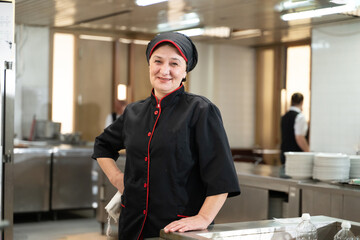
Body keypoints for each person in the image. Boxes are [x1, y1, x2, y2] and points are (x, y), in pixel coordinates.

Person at [92, 32, 240, 240]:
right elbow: (103, 145)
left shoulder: (201, 110)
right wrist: (117, 178)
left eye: (174, 63)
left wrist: (204, 217)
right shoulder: (134, 112)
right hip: (132, 225)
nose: (165, 70)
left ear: (185, 70)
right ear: (149, 65)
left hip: (175, 229)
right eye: (158, 61)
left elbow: (221, 175)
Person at [280, 92, 310, 164]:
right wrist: (308, 152)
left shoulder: (284, 117)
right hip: (296, 156)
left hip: (284, 154)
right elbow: (299, 137)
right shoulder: (300, 117)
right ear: (302, 102)